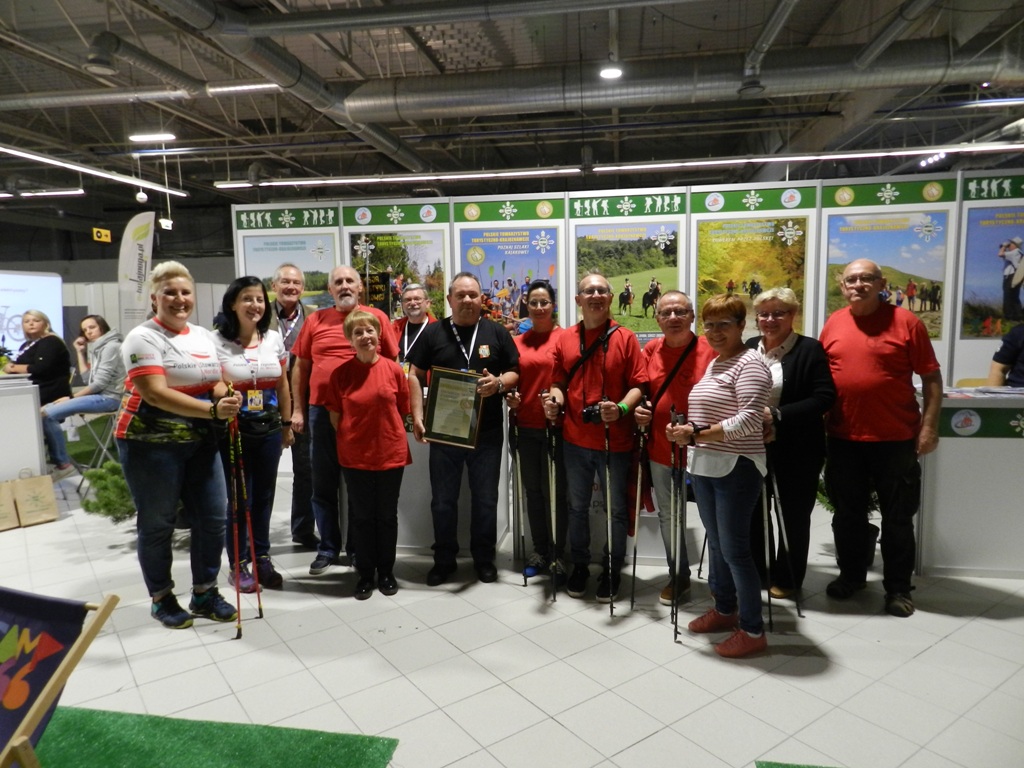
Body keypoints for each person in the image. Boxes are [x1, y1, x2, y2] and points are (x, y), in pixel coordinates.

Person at [116, 261, 242, 629]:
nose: (179, 299)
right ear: (154, 298)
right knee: (158, 524)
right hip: (149, 444)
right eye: (169, 292)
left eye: (185, 292)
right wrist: (212, 409)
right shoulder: (142, 338)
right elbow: (154, 393)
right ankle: (161, 598)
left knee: (214, 518)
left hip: (200, 440)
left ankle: (204, 592)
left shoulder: (201, 336)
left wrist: (225, 395)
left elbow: (214, 379)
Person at [820, 259, 942, 618]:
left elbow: (932, 379)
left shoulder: (906, 322)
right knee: (848, 515)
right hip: (843, 437)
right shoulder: (834, 322)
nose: (858, 284)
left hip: (895, 438)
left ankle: (898, 589)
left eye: (866, 278)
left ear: (882, 283)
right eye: (851, 279)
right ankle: (852, 576)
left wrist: (929, 427)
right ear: (842, 286)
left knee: (898, 519)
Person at [667, 294, 772, 658]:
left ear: (742, 325)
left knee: (736, 551)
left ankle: (753, 629)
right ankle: (726, 610)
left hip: (736, 467)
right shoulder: (716, 363)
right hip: (707, 466)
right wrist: (687, 432)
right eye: (709, 325)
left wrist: (696, 433)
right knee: (717, 544)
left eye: (723, 324)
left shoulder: (751, 364)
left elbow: (749, 421)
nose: (714, 331)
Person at [408, 272, 519, 586]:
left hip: (487, 433)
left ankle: (484, 558)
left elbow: (514, 371)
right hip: (445, 432)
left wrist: (498, 383)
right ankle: (444, 560)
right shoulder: (433, 333)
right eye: (461, 295)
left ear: (482, 299)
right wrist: (418, 415)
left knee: (485, 499)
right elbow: (414, 374)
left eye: (473, 295)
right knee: (443, 500)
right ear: (449, 299)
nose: (467, 300)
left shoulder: (496, 332)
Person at [543, 272, 647, 603]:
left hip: (615, 441)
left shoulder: (626, 338)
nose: (596, 296)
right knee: (576, 508)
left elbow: (639, 385)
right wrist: (554, 401)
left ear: (611, 298)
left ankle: (613, 568)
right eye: (589, 291)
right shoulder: (565, 339)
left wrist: (621, 408)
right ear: (578, 300)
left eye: (602, 290)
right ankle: (580, 566)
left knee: (616, 510)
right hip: (574, 439)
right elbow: (558, 382)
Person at [291, 266, 398, 576]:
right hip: (321, 411)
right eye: (338, 282)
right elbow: (301, 367)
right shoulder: (315, 320)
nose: (344, 285)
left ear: (360, 287)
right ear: (330, 289)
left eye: (350, 280)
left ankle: (356, 548)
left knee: (357, 484)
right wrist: (297, 410)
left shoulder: (376, 317)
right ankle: (327, 547)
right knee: (322, 482)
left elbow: (392, 362)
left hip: (363, 413)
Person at [745, 288, 836, 598]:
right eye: (764, 314)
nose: (770, 320)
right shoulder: (748, 347)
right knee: (754, 513)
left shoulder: (810, 349)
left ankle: (788, 577)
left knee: (793, 516)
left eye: (778, 313)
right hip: (752, 447)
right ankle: (758, 573)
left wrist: (777, 415)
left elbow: (824, 397)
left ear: (792, 315)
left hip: (798, 448)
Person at [634, 291, 714, 606]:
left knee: (713, 516)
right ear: (657, 319)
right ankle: (678, 575)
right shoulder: (651, 349)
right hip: (662, 448)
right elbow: (642, 392)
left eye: (680, 311)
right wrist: (641, 409)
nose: (673, 318)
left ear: (692, 316)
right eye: (666, 313)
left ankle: (722, 580)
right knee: (669, 516)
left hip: (706, 448)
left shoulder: (711, 348)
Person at [213, 276, 292, 593]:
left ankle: (262, 558)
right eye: (247, 298)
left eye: (259, 299)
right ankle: (239, 563)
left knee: (263, 498)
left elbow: (282, 383)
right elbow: (213, 381)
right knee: (239, 500)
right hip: (235, 429)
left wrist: (286, 424)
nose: (255, 305)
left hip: (269, 429)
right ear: (233, 303)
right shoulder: (217, 341)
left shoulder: (272, 338)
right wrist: (224, 393)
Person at [326, 310, 411, 600]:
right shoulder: (340, 375)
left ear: (379, 335)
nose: (365, 336)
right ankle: (364, 574)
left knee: (386, 515)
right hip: (355, 457)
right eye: (358, 333)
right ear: (350, 340)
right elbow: (335, 417)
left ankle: (386, 571)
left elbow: (402, 409)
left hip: (390, 452)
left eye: (370, 331)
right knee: (362, 516)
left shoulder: (394, 371)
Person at [505, 279, 568, 581]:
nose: (539, 307)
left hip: (556, 428)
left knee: (555, 493)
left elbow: (567, 381)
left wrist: (556, 402)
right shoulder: (518, 342)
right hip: (523, 427)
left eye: (544, 302)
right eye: (533, 303)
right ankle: (540, 550)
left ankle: (559, 554)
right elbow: (513, 379)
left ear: (553, 305)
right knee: (533, 493)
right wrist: (511, 397)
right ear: (526, 306)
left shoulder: (566, 338)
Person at [39, 314, 124, 480]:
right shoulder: (99, 347)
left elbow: (99, 384)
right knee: (45, 410)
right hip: (100, 396)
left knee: (47, 415)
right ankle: (58, 460)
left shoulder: (111, 347)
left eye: (92, 327)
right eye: (85, 330)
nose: (88, 332)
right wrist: (80, 352)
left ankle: (63, 465)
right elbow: (87, 379)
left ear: (102, 327)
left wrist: (71, 398)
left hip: (109, 398)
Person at [268, 263, 317, 550]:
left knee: (306, 469)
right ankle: (256, 536)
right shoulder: (259, 315)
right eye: (285, 282)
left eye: (296, 283)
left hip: (302, 401)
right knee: (263, 472)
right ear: (274, 286)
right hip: (266, 402)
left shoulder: (314, 316)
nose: (291, 287)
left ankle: (303, 529)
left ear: (303, 287)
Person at [3, 311, 73, 473]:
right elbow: (17, 367)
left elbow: (41, 368)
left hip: (51, 394)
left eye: (36, 320)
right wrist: (12, 367)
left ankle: (62, 462)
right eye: (27, 321)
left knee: (41, 416)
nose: (31, 323)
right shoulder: (27, 345)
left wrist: (14, 368)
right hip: (30, 393)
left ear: (45, 323)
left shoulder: (51, 342)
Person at [393, 282, 436, 367]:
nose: (412, 303)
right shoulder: (394, 328)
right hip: (398, 374)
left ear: (427, 304)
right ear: (402, 305)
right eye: (408, 300)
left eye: (417, 299)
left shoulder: (438, 330)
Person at [998, 237, 1023, 321]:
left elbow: (1000, 254)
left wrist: (1004, 246)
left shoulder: (1014, 252)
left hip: (1010, 276)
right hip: (1017, 276)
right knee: (1014, 297)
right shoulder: (1019, 253)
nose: (1010, 245)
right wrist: (1004, 247)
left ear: (1015, 245)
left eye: (1011, 243)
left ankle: (1009, 317)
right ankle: (1018, 317)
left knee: (1008, 297)